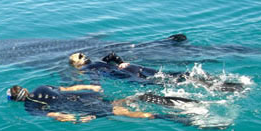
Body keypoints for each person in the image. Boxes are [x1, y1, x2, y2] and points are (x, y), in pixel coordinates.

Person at [7, 84, 201, 123]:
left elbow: (56, 115)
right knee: (115, 102)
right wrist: (91, 86)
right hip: (84, 97)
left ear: (16, 100)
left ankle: (165, 117)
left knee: (119, 111)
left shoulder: (30, 108)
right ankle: (140, 97)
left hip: (80, 107)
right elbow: (70, 88)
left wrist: (75, 119)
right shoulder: (42, 87)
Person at [69, 52, 244, 92]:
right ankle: (226, 83)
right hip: (133, 68)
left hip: (128, 75)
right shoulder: (100, 60)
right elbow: (112, 55)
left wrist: (94, 88)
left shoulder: (87, 68)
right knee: (175, 76)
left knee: (169, 82)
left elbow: (95, 80)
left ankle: (224, 88)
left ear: (77, 64)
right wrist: (122, 63)